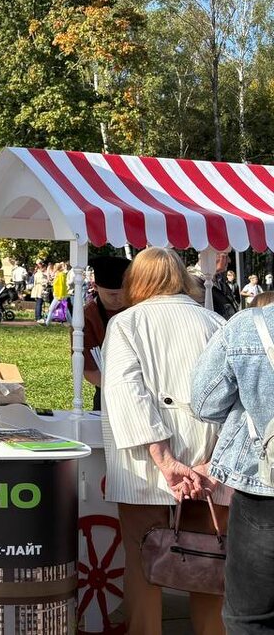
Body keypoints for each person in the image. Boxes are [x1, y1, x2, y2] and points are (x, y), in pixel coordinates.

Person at [101, 247, 228, 635]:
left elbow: (127, 393)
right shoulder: (216, 322)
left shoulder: (126, 323)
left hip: (144, 463)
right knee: (210, 562)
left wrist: (165, 459)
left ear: (135, 280)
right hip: (208, 459)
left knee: (144, 563)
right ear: (181, 278)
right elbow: (235, 399)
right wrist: (212, 461)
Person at [192, 294, 274, 633]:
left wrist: (251, 404)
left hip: (263, 486)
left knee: (249, 616)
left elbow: (205, 403)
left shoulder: (249, 326)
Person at [76, 255, 130, 412]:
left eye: (123, 293)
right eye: (111, 294)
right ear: (95, 287)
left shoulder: (137, 310)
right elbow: (88, 369)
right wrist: (119, 388)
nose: (118, 299)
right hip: (107, 388)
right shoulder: (86, 318)